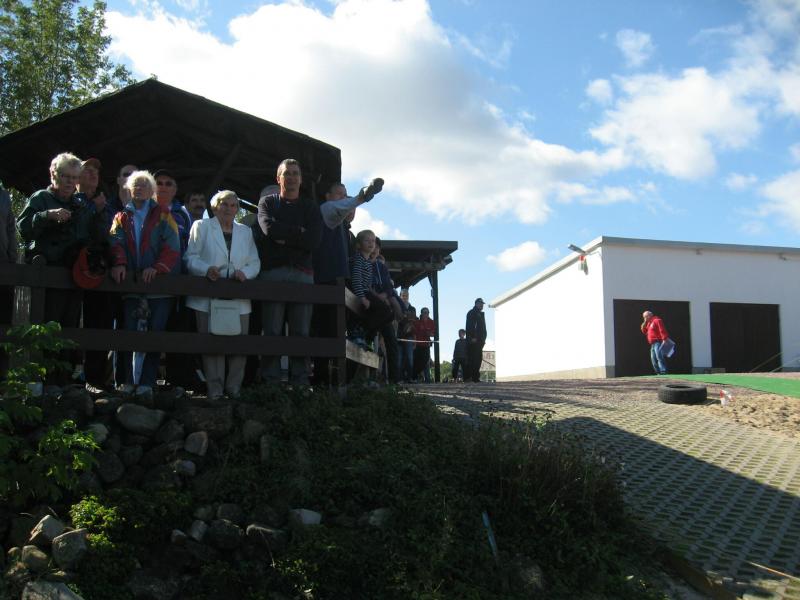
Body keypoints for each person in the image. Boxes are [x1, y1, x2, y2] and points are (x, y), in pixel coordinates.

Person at [17, 152, 94, 383]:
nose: (70, 182)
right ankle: (43, 381)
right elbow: (22, 228)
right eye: (65, 176)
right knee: (48, 326)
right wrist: (46, 216)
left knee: (70, 328)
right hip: (47, 275)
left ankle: (64, 381)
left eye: (74, 177)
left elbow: (87, 236)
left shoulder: (80, 204)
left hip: (73, 275)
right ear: (54, 175)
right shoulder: (41, 198)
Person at [109, 170, 180, 393]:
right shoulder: (121, 217)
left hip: (159, 286)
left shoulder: (164, 215)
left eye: (144, 185)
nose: (139, 188)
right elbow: (115, 242)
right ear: (129, 189)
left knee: (154, 335)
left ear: (152, 191)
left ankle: (147, 383)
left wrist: (157, 268)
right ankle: (128, 381)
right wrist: (119, 263)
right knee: (129, 333)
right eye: (135, 185)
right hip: (131, 284)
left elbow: (172, 246)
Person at [184, 190, 260, 399]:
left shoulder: (245, 231)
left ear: (237, 209)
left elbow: (254, 262)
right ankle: (215, 390)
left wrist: (245, 273)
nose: (228, 209)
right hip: (206, 297)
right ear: (215, 207)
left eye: (233, 205)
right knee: (211, 345)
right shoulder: (201, 226)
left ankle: (234, 388)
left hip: (238, 297)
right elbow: (190, 258)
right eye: (224, 204)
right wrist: (206, 269)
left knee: (239, 345)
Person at [310, 179, 383, 385]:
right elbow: (338, 208)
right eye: (339, 194)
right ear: (328, 196)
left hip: (341, 287)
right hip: (326, 283)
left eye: (345, 195)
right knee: (325, 332)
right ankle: (322, 382)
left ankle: (338, 379)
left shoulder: (345, 230)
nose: (343, 199)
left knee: (337, 333)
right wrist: (362, 196)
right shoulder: (327, 212)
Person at [256, 158, 322, 385]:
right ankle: (271, 381)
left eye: (295, 173)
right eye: (287, 173)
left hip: (302, 274)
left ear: (301, 179)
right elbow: (269, 229)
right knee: (272, 330)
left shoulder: (310, 207)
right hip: (273, 273)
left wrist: (285, 236)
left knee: (301, 331)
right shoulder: (267, 203)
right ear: (279, 178)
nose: (291, 177)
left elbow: (314, 241)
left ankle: (300, 381)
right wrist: (299, 232)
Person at [75, 158, 115, 390]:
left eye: (95, 172)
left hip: (98, 273)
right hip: (73, 271)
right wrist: (94, 209)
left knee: (100, 323)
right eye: (87, 171)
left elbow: (108, 236)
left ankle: (95, 377)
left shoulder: (106, 206)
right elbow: (78, 232)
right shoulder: (73, 201)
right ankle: (67, 376)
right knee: (70, 323)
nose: (92, 175)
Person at [0, 183, 18, 378]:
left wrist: (12, 261)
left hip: (3, 267)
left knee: (3, 327)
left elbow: (11, 229)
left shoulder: (3, 196)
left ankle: (2, 379)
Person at [641, 310, 669, 375]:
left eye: (646, 316)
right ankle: (658, 372)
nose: (645, 318)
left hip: (658, 342)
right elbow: (645, 331)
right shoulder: (649, 323)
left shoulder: (657, 320)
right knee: (653, 359)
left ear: (650, 315)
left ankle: (663, 371)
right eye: (644, 317)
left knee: (659, 357)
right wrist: (644, 323)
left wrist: (664, 339)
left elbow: (662, 330)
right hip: (652, 344)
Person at [465, 298, 487, 382]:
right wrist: (472, 337)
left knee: (478, 359)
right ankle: (469, 377)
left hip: (479, 340)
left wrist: (483, 338)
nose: (482, 305)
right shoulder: (472, 313)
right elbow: (470, 326)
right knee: (472, 359)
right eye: (480, 303)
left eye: (482, 304)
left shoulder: (480, 314)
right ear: (476, 303)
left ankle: (475, 377)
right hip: (474, 340)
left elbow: (482, 328)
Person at [414, 307, 436, 383]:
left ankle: (427, 379)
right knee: (417, 362)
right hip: (418, 345)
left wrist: (429, 333)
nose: (426, 314)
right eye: (425, 312)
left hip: (426, 345)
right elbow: (414, 333)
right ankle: (416, 377)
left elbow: (433, 334)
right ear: (421, 313)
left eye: (427, 312)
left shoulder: (431, 322)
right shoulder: (417, 322)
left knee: (426, 361)